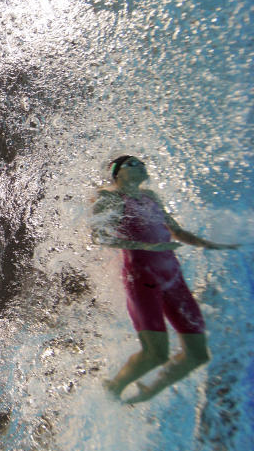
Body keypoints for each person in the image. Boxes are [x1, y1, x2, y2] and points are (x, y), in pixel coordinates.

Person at [93, 155, 237, 403]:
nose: (140, 166)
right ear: (116, 173)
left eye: (141, 163)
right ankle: (112, 391)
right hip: (142, 279)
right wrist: (145, 247)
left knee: (197, 354)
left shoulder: (151, 198)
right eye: (132, 164)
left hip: (173, 279)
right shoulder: (110, 198)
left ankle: (148, 391)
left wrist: (214, 245)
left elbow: (177, 232)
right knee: (155, 354)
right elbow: (98, 237)